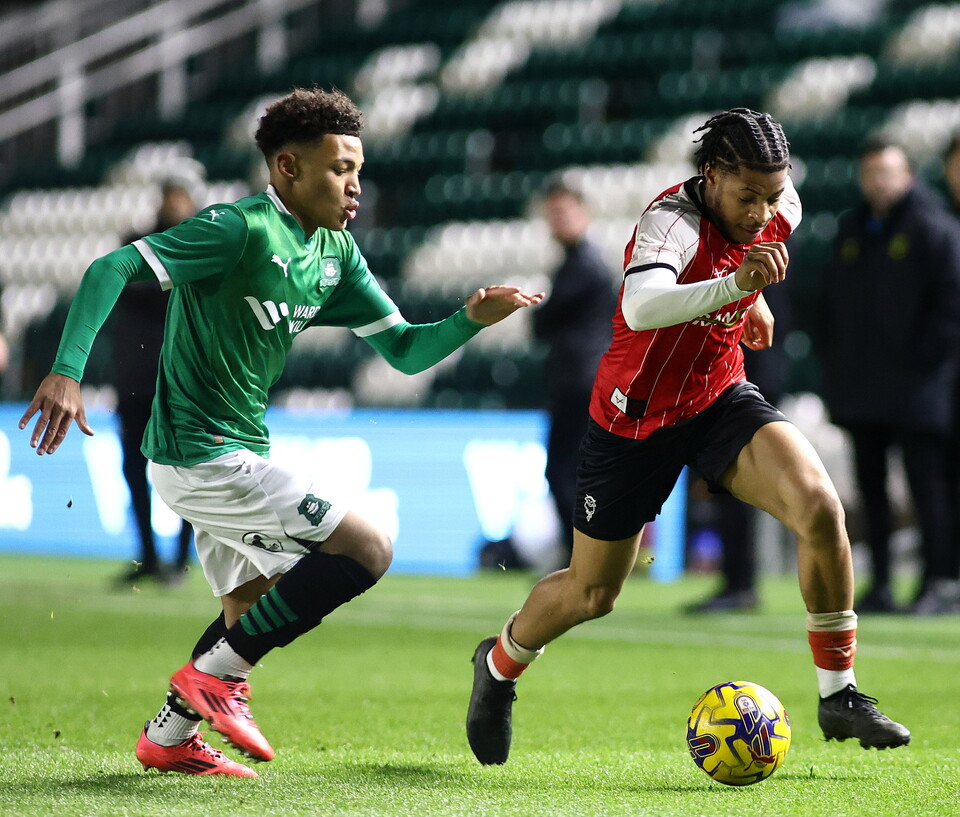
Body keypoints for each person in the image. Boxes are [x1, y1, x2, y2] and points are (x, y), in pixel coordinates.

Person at [20, 87, 543, 779]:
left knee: (254, 608)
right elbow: (110, 266)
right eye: (339, 169)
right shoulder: (238, 230)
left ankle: (169, 736)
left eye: (358, 170)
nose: (355, 186)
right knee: (368, 547)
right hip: (200, 454)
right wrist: (67, 370)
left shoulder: (335, 253)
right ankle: (213, 680)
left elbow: (405, 351)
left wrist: (469, 319)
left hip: (234, 450)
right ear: (288, 168)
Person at [465, 108, 910, 767]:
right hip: (633, 418)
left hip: (717, 394)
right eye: (747, 196)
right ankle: (498, 665)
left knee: (820, 507)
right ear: (711, 174)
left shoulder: (780, 201)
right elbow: (643, 306)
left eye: (771, 195)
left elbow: (747, 250)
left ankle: (838, 692)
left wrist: (751, 299)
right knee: (593, 593)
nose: (761, 212)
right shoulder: (668, 222)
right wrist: (738, 286)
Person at [819, 139, 960, 616]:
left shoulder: (934, 228)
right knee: (870, 491)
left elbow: (950, 306)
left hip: (918, 388)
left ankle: (936, 582)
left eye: (888, 171)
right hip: (861, 387)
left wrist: (922, 362)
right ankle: (879, 583)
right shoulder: (851, 230)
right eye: (871, 172)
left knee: (927, 487)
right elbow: (828, 304)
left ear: (909, 175)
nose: (879, 181)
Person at [683, 279, 792, 613]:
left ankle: (741, 582)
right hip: (739, 380)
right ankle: (737, 580)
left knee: (734, 488)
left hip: (744, 382)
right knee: (727, 488)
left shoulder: (756, 258)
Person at [112, 178, 198, 585]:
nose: (175, 205)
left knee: (188, 470)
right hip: (136, 378)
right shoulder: (138, 243)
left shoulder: (199, 244)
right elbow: (130, 285)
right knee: (134, 467)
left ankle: (181, 560)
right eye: (170, 198)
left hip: (182, 379)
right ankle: (147, 557)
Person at [531, 180, 616, 568]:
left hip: (581, 383)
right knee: (570, 472)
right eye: (553, 213)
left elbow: (544, 321)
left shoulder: (583, 266)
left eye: (564, 212)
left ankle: (580, 557)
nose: (557, 221)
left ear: (584, 214)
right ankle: (580, 556)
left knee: (566, 472)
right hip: (579, 380)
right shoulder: (576, 264)